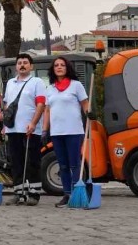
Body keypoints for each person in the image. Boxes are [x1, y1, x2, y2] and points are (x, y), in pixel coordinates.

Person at [42, 56, 90, 208]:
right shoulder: (49, 89)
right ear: (53, 69)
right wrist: (44, 129)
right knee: (62, 165)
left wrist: (89, 113)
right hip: (57, 132)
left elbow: (85, 103)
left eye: (62, 65)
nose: (59, 67)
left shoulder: (76, 85)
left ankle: (77, 193)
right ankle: (67, 194)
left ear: (67, 68)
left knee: (74, 164)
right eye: (56, 65)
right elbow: (47, 111)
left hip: (74, 130)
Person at [3, 53, 47, 206]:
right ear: (16, 66)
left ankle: (34, 193)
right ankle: (18, 193)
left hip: (30, 129)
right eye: (19, 62)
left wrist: (34, 123)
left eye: (25, 62)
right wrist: (4, 125)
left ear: (31, 66)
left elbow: (41, 104)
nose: (22, 65)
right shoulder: (10, 83)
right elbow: (7, 106)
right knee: (16, 162)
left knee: (32, 161)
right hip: (13, 129)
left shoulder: (37, 82)